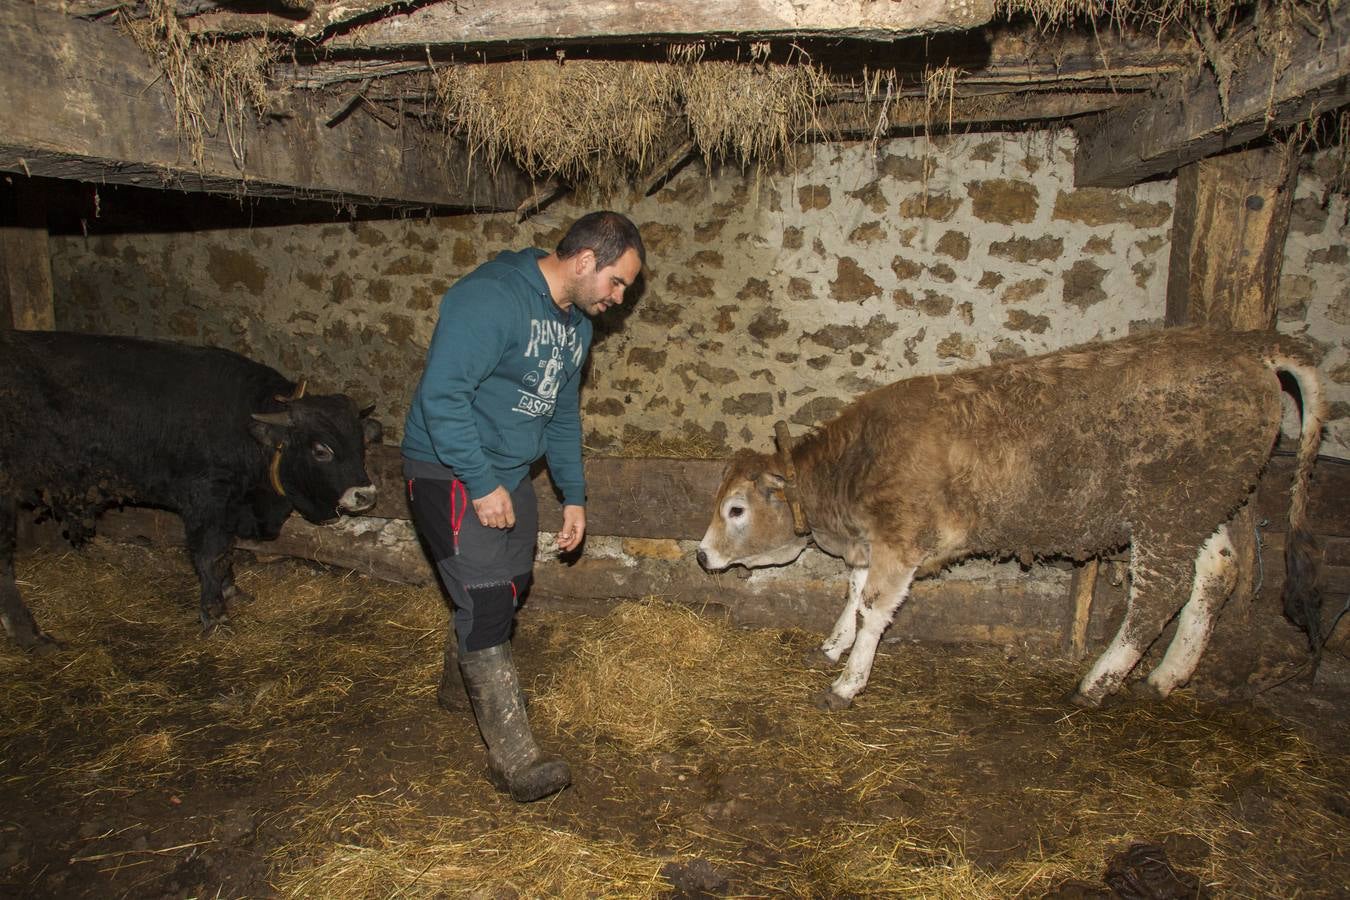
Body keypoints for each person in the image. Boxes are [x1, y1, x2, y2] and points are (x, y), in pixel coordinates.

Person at [402, 211, 645, 802]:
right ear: (585, 261)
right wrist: (482, 485)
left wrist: (574, 496)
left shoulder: (577, 327)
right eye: (617, 281)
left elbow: (560, 415)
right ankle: (514, 759)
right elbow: (443, 397)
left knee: (510, 584)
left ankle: (462, 690)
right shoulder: (489, 299)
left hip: (507, 472)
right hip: (448, 468)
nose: (618, 297)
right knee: (485, 595)